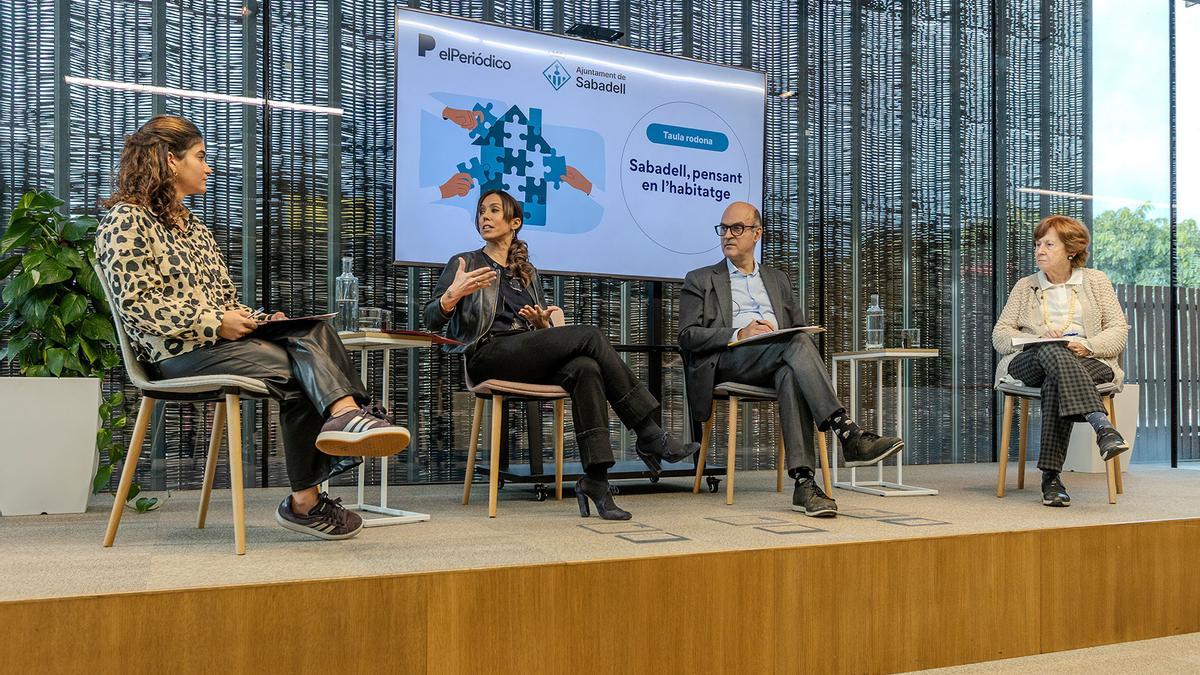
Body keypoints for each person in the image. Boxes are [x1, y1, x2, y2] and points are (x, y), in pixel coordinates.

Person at [96, 115, 410, 541]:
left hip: (218, 344)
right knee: (304, 367)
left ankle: (335, 437)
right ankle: (318, 476)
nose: (209, 167)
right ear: (171, 161)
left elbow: (225, 302)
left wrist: (260, 322)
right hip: (175, 354)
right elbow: (138, 306)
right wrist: (212, 322)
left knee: (313, 332)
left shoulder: (198, 232)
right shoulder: (126, 220)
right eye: (200, 157)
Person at [425, 189, 698, 520]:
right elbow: (430, 320)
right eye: (481, 211)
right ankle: (649, 433)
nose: (484, 216)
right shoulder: (465, 262)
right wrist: (452, 295)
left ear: (514, 223)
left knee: (586, 368)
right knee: (590, 336)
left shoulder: (526, 272)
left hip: (523, 355)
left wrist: (540, 324)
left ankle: (596, 479)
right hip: (487, 354)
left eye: (494, 211)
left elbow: (537, 337)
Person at [679, 202, 905, 517]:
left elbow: (797, 329)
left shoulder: (777, 279)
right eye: (724, 228)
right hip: (729, 360)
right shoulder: (701, 279)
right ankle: (846, 432)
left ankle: (804, 484)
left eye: (737, 228)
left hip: (776, 358)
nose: (728, 235)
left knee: (790, 368)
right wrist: (739, 333)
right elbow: (687, 336)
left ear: (757, 233)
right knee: (794, 347)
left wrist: (780, 337)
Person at [992, 214, 1129, 507]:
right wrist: (1041, 335)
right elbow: (1000, 335)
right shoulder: (1025, 286)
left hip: (1087, 360)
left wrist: (1087, 345)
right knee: (1051, 349)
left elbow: (1118, 330)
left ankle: (1050, 478)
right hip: (1029, 363)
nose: (1039, 250)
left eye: (1048, 244)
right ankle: (1101, 425)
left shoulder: (1096, 281)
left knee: (1058, 372)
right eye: (1038, 243)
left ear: (1071, 249)